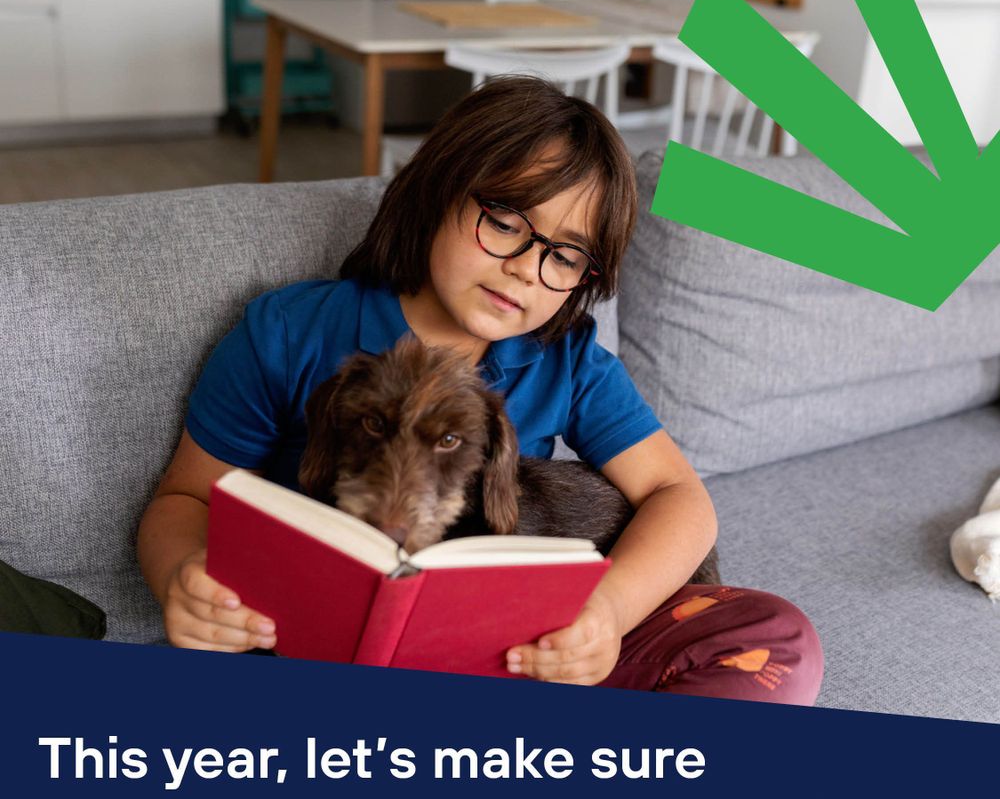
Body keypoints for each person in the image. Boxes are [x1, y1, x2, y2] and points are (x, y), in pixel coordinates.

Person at [137, 76, 822, 704]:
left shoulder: (569, 362)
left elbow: (682, 500)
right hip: (335, 647)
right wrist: (186, 578)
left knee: (775, 637)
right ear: (438, 189)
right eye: (505, 222)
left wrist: (605, 614)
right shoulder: (292, 331)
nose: (526, 269)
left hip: (537, 649)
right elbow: (184, 497)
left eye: (564, 255)